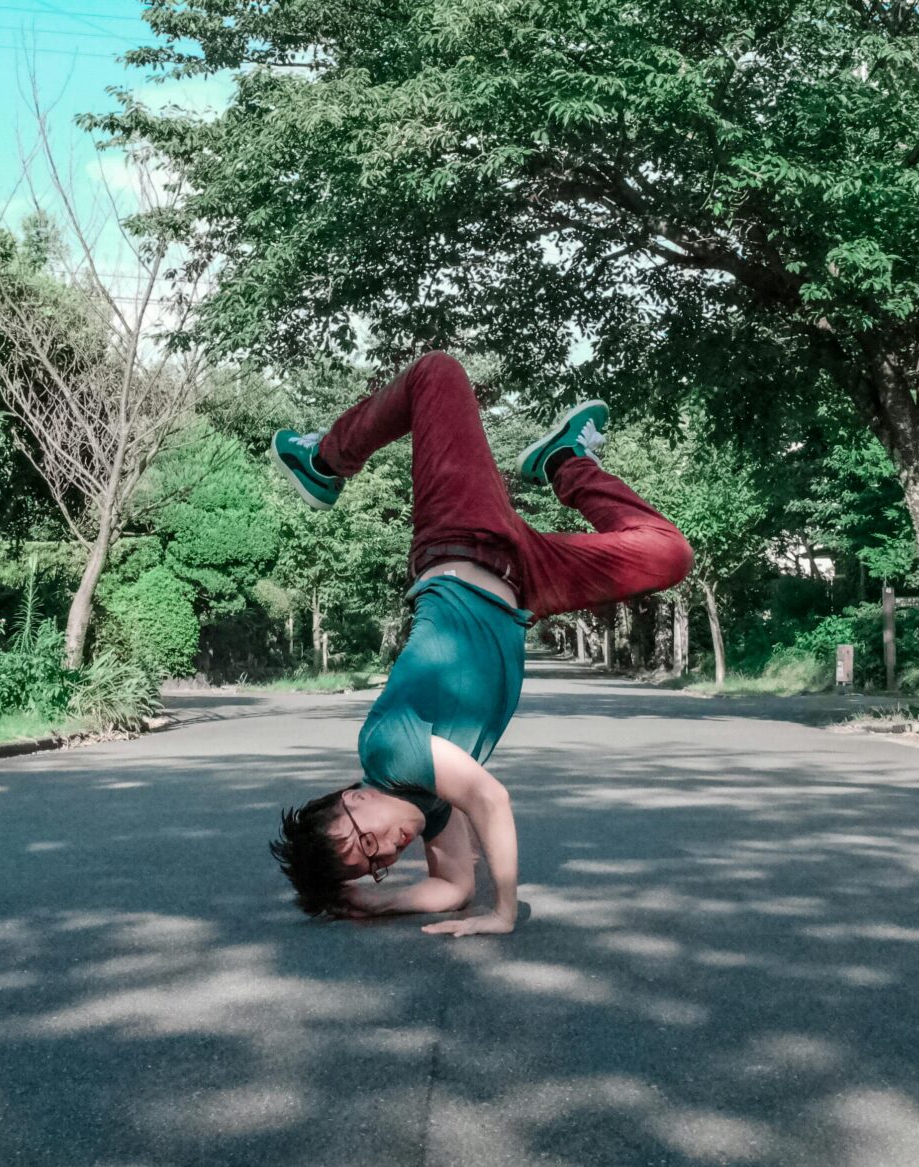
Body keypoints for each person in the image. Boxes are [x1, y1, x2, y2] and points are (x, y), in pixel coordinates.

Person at [266, 351, 693, 937]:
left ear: (352, 799)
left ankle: (321, 460)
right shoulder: (426, 800)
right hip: (527, 582)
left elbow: (491, 800)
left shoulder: (390, 755)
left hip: (462, 537)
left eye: (366, 844)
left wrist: (503, 912)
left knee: (437, 373)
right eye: (379, 867)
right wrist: (370, 903)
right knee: (668, 554)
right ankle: (564, 460)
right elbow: (453, 887)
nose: (389, 851)